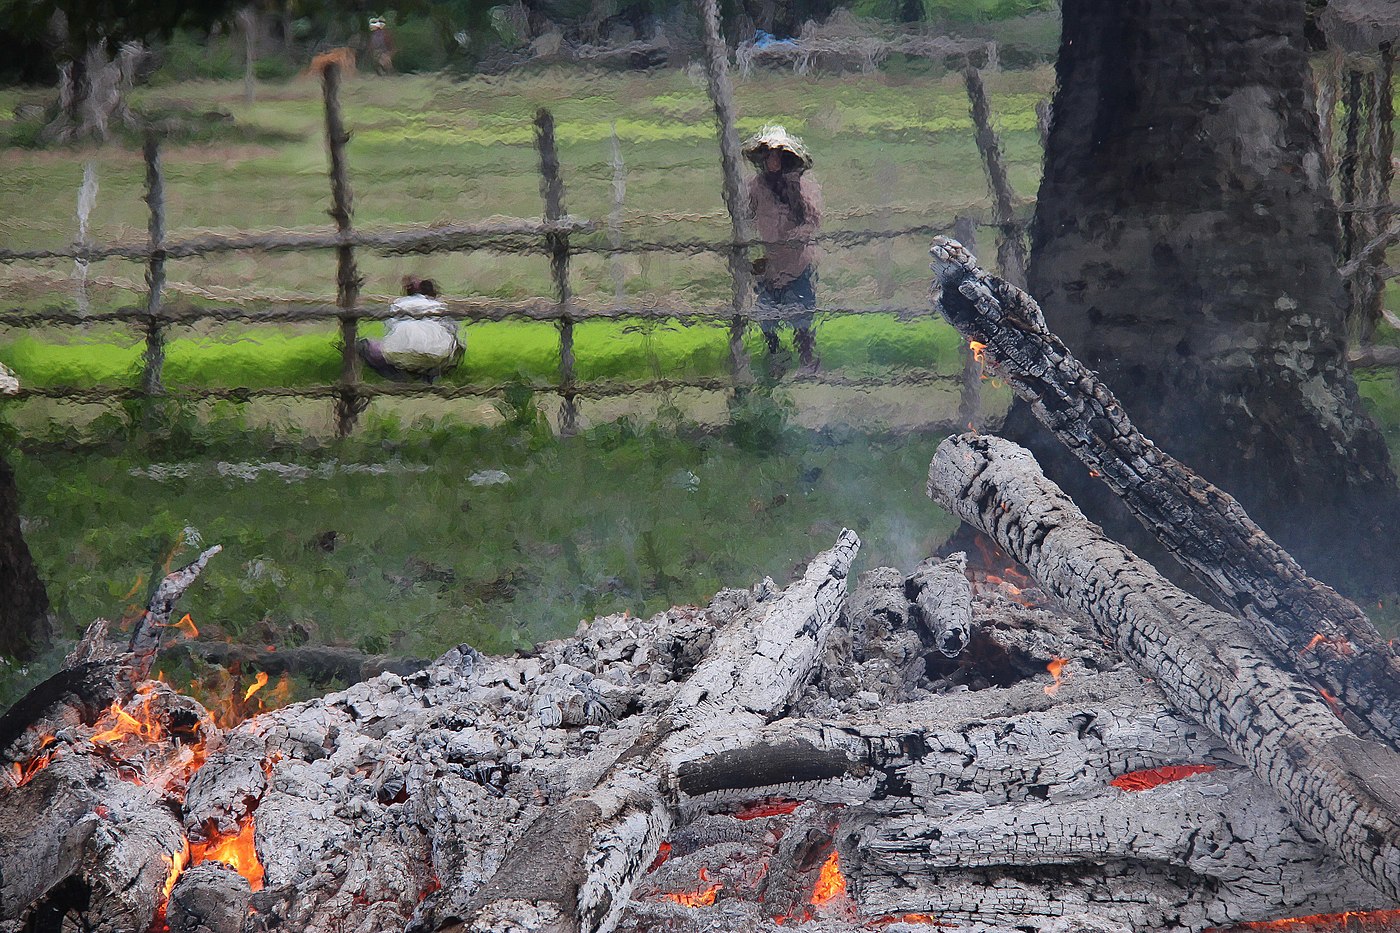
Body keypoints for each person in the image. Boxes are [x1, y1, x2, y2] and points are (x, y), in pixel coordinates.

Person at [742, 124, 823, 371]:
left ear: (786, 157)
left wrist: (793, 240)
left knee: (802, 322)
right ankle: (777, 360)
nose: (772, 159)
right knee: (766, 319)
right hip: (769, 268)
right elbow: (745, 219)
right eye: (768, 154)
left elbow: (813, 221)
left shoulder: (803, 187)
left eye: (777, 154)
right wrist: (755, 255)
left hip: (798, 265)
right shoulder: (755, 187)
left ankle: (808, 364)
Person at [357, 277, 464, 382]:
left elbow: (390, 329)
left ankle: (401, 378)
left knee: (365, 346)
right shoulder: (439, 305)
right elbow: (453, 331)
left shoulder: (398, 304)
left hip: (400, 355)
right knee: (445, 350)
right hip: (437, 355)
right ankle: (429, 377)